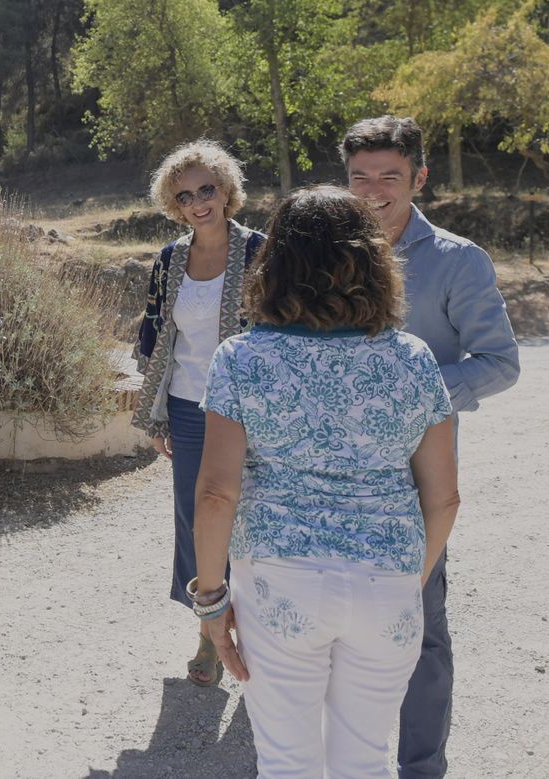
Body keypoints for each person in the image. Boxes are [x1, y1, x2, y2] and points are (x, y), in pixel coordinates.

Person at [194, 186, 461, 779]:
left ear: (275, 263)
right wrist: (406, 577)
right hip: (387, 579)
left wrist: (210, 602)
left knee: (287, 764)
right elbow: (444, 498)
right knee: (363, 762)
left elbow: (216, 494)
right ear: (373, 262)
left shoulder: (242, 359)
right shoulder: (413, 358)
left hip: (279, 583)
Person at [342, 115, 520, 778]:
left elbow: (500, 362)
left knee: (419, 625)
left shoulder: (458, 260)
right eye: (360, 177)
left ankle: (421, 769)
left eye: (389, 175)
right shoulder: (320, 251)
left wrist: (409, 395)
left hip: (415, 475)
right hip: (319, 471)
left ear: (419, 177)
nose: (373, 191)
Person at [129, 141, 262, 688]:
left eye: (207, 189)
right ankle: (209, 632)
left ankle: (257, 630)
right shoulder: (169, 259)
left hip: (249, 410)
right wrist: (158, 415)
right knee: (194, 520)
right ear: (174, 205)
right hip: (187, 407)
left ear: (227, 190)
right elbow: (155, 333)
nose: (198, 202)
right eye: (185, 196)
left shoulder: (262, 252)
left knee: (249, 517)